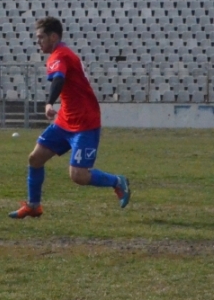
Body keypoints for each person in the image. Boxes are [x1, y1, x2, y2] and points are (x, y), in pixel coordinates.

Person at [9, 17, 131, 219]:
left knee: (79, 176)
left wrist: (49, 102)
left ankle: (117, 181)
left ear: (53, 37)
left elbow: (59, 79)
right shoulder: (62, 54)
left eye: (41, 37)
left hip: (84, 122)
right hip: (65, 120)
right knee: (35, 158)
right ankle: (33, 205)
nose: (38, 41)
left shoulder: (60, 55)